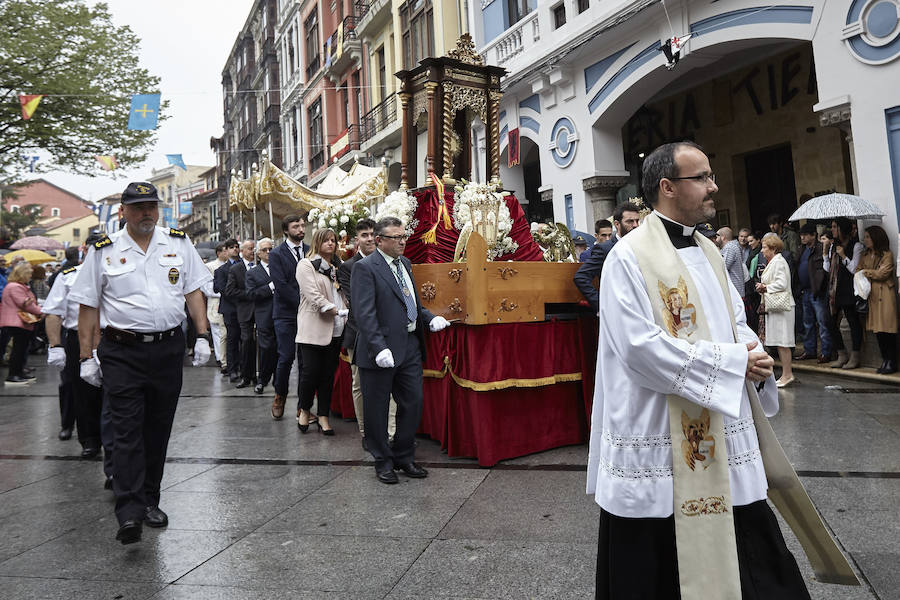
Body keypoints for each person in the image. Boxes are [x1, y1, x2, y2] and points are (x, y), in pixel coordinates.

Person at [587, 142, 812, 599]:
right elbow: (639, 348)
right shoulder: (626, 257)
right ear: (667, 187)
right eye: (703, 178)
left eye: (711, 176)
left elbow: (735, 317)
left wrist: (754, 353)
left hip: (721, 427)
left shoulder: (709, 250)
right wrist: (733, 364)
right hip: (660, 433)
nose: (714, 187)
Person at [69, 181, 212, 545]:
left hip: (167, 349)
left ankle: (150, 499)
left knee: (158, 428)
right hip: (122, 351)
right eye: (138, 207)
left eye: (151, 206)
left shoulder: (178, 242)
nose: (146, 212)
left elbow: (194, 290)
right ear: (124, 211)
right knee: (127, 428)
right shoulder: (104, 250)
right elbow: (88, 305)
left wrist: (202, 335)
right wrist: (86, 357)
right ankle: (129, 510)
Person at [351, 217, 450, 484]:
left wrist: (429, 318)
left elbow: (410, 300)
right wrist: (378, 347)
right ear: (379, 240)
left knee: (413, 402)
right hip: (380, 351)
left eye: (403, 236)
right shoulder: (366, 268)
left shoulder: (404, 264)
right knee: (377, 408)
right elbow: (364, 313)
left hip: (408, 346)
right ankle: (382, 460)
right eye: (396, 237)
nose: (402, 241)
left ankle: (404, 455)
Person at [44, 232, 106, 457]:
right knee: (80, 390)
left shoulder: (116, 272)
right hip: (77, 337)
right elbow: (53, 312)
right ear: (85, 251)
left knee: (113, 391)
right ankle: (89, 438)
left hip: (112, 338)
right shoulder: (68, 276)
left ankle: (111, 439)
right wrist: (55, 345)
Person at [337, 218, 397, 450]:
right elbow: (359, 303)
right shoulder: (348, 267)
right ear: (356, 240)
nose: (369, 238)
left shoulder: (390, 262)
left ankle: (391, 432)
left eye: (372, 234)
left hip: (389, 333)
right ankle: (365, 432)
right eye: (364, 235)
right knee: (360, 384)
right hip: (359, 333)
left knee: (391, 384)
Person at [295, 229, 347, 435]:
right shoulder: (306, 265)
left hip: (336, 328)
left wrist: (346, 310)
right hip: (313, 328)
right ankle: (305, 410)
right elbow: (312, 295)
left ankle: (324, 415)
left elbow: (343, 293)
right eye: (326, 240)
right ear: (317, 242)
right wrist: (334, 309)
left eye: (333, 240)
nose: (330, 244)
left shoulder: (337, 267)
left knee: (327, 375)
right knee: (309, 373)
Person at [268, 213, 309, 420]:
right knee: (286, 357)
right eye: (296, 226)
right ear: (286, 230)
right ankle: (280, 394)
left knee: (306, 360)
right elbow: (281, 285)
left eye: (302, 225)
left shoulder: (310, 251)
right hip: (285, 314)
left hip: (308, 315)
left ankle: (303, 405)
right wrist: (304, 304)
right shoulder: (276, 254)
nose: (301, 229)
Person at [573, 201, 642, 312]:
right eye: (630, 221)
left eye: (637, 221)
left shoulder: (642, 246)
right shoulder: (605, 249)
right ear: (617, 224)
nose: (635, 225)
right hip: (617, 313)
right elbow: (581, 277)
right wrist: (602, 305)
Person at [824, 217, 865, 369]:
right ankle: (842, 354)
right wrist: (825, 251)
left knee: (853, 322)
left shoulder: (857, 246)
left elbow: (854, 269)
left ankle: (855, 356)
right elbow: (827, 269)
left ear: (843, 229)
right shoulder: (834, 245)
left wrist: (843, 256)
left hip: (849, 289)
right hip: (835, 289)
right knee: (829, 321)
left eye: (835, 227)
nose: (833, 230)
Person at [857, 225, 898, 373]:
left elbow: (883, 273)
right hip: (872, 296)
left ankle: (891, 361)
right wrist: (870, 272)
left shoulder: (887, 254)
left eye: (868, 237)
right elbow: (858, 270)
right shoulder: (865, 254)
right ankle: (885, 359)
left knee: (887, 329)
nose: (866, 240)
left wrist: (866, 272)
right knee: (878, 331)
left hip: (885, 295)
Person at [756, 235, 796, 387]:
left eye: (764, 247)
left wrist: (765, 287)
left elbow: (782, 283)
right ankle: (786, 374)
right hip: (775, 306)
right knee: (780, 342)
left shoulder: (779, 262)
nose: (762, 250)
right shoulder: (773, 262)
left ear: (772, 248)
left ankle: (788, 374)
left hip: (782, 306)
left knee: (783, 341)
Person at [0, 262, 43, 385]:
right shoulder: (15, 287)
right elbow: (26, 304)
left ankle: (19, 373)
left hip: (19, 322)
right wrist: (42, 311)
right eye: (29, 274)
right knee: (18, 349)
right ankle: (13, 375)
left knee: (21, 348)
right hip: (17, 322)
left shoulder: (17, 286)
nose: (30, 276)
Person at [795, 223, 832, 363]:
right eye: (801, 235)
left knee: (822, 322)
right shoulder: (801, 249)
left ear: (813, 235)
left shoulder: (820, 248)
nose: (802, 237)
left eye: (805, 235)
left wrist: (820, 286)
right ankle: (809, 350)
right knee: (807, 323)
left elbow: (824, 269)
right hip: (805, 290)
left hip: (818, 290)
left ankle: (826, 352)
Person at [246, 238, 276, 393]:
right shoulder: (253, 273)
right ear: (258, 253)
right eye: (265, 250)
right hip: (264, 316)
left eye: (270, 249)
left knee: (281, 349)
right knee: (266, 348)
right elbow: (251, 294)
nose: (268, 252)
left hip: (282, 314)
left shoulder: (280, 268)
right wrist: (269, 288)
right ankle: (262, 379)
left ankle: (278, 381)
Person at [225, 239, 257, 388]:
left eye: (254, 248)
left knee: (263, 344)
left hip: (262, 310)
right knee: (247, 341)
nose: (253, 251)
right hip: (245, 311)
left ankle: (260, 375)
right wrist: (249, 294)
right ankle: (246, 375)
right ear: (243, 251)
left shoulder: (260, 266)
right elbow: (230, 290)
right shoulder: (236, 269)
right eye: (250, 248)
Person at [214, 239, 241, 381]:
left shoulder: (245, 266)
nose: (235, 249)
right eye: (232, 247)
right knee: (232, 338)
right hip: (230, 309)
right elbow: (222, 289)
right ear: (226, 250)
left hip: (245, 309)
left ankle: (244, 367)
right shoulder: (221, 270)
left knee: (246, 339)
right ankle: (232, 369)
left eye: (237, 247)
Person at [203, 243, 229, 373]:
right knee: (217, 332)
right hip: (216, 302)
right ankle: (220, 358)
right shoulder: (210, 266)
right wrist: (223, 292)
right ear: (219, 253)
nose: (227, 253)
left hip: (228, 302)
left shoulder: (231, 265)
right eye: (225, 251)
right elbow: (207, 287)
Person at [718, 227, 747, 299]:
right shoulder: (733, 246)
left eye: (717, 236)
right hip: (736, 290)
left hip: (735, 291)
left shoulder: (729, 248)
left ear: (723, 237)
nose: (715, 239)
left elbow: (723, 267)